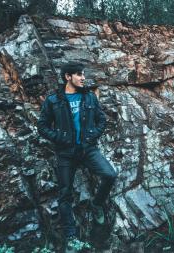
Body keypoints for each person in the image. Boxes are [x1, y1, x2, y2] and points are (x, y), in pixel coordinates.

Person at [37, 63, 117, 246]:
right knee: (65, 194)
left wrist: (91, 135)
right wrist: (58, 138)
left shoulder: (89, 97)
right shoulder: (53, 100)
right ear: (67, 77)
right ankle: (71, 237)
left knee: (110, 175)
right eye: (79, 74)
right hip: (65, 153)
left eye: (83, 74)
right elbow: (42, 126)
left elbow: (101, 119)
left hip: (88, 150)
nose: (83, 78)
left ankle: (96, 204)